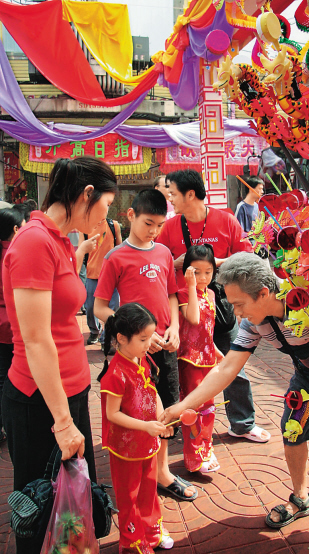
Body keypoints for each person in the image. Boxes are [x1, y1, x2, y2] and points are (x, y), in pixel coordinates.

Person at [159, 253, 309, 554]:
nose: (236, 315)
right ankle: (301, 498)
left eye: (239, 305)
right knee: (292, 431)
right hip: (307, 371)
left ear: (264, 293)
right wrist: (180, 406)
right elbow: (227, 369)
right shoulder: (255, 323)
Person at [2, 157, 118, 554]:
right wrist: (64, 422)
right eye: (106, 204)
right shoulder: (34, 242)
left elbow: (60, 309)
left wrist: (83, 252)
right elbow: (35, 340)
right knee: (40, 511)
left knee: (67, 513)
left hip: (65, 394)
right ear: (86, 194)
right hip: (42, 402)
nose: (108, 215)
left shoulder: (57, 241)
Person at [94, 189, 197, 501]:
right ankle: (136, 472)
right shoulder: (116, 257)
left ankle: (162, 472)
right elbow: (99, 307)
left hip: (164, 345)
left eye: (159, 225)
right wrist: (137, 332)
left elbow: (171, 296)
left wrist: (176, 328)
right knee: (135, 413)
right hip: (132, 354)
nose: (153, 230)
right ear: (131, 216)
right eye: (148, 223)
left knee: (164, 410)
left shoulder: (164, 253)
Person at [157, 169, 270, 443]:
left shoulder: (225, 220)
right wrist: (176, 264)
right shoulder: (171, 227)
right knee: (190, 371)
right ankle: (193, 433)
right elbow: (159, 262)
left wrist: (211, 265)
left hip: (222, 304)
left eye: (173, 194)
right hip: (188, 311)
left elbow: (246, 258)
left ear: (190, 194)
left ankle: (242, 423)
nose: (170, 200)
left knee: (234, 364)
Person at [98, 303, 174, 554]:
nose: (148, 344)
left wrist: (163, 417)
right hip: (126, 448)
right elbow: (112, 414)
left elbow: (152, 391)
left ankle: (151, 531)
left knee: (149, 490)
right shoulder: (116, 374)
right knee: (129, 495)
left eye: (149, 337)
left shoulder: (143, 359)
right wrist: (146, 426)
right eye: (143, 339)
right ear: (121, 338)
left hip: (147, 442)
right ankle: (132, 543)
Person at [178, 244, 223, 473]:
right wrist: (191, 286)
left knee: (209, 406)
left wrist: (214, 349)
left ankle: (206, 449)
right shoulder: (184, 293)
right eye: (196, 271)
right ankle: (194, 457)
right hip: (190, 360)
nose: (203, 277)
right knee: (192, 408)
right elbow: (194, 319)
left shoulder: (212, 294)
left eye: (208, 271)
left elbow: (207, 327)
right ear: (187, 271)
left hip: (207, 359)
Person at [0, 208, 26, 443]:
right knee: (10, 376)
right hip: (11, 326)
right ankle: (8, 423)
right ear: (16, 229)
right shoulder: (15, 254)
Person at [80, 218, 122, 346]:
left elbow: (119, 248)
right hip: (92, 274)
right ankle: (94, 331)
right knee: (91, 307)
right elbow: (82, 251)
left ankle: (106, 337)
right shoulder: (85, 227)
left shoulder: (113, 225)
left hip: (111, 275)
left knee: (113, 307)